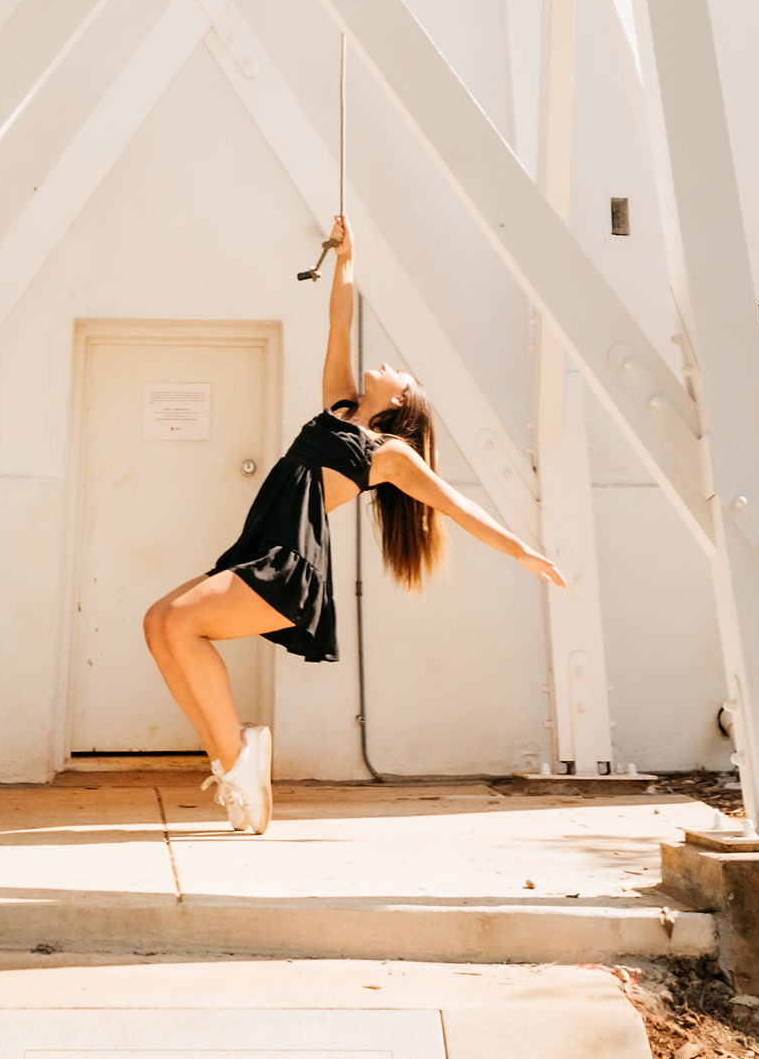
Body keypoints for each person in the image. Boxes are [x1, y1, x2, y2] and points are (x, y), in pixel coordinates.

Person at [140, 215, 569, 835]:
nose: (391, 364)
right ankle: (233, 761)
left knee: (179, 623)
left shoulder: (390, 455)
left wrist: (524, 551)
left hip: (288, 565)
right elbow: (339, 322)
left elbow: (459, 507)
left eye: (403, 375)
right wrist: (347, 256)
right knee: (159, 625)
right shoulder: (338, 409)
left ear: (400, 403)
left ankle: (239, 760)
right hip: (256, 549)